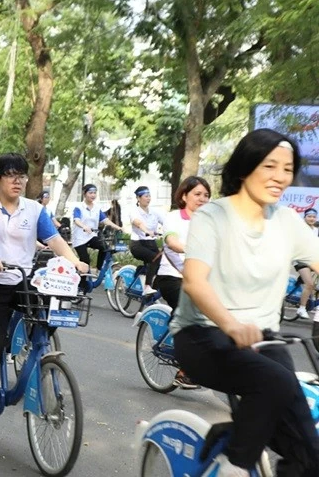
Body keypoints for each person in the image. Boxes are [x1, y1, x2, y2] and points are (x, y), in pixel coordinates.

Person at [172, 129, 319, 477]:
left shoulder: (286, 221)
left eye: (287, 168)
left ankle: (237, 435)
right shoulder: (214, 216)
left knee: (310, 455)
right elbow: (194, 281)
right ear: (245, 167)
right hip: (204, 335)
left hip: (265, 340)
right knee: (277, 383)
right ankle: (233, 466)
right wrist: (231, 324)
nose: (281, 177)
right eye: (270, 166)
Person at [0, 153, 88, 438]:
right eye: (10, 175)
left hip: (21, 278)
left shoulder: (33, 209)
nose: (17, 181)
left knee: (50, 313)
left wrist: (75, 260)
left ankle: (33, 353)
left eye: (22, 175)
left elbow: (54, 240)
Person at [152, 176, 211, 390]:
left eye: (206, 195)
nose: (202, 199)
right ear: (184, 196)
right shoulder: (174, 217)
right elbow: (172, 241)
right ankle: (184, 370)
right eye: (197, 194)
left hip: (201, 278)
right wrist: (189, 248)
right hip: (172, 278)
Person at [71, 184, 122, 274]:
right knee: (85, 261)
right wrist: (84, 226)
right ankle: (82, 285)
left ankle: (99, 269)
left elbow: (105, 220)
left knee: (105, 247)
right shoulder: (78, 207)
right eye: (90, 193)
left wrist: (118, 227)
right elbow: (77, 220)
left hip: (91, 236)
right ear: (84, 194)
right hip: (79, 238)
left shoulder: (97, 208)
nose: (93, 195)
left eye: (94, 193)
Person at [129, 186, 165, 296]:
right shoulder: (134, 211)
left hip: (151, 244)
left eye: (149, 196)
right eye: (146, 196)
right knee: (155, 259)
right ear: (138, 198)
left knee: (164, 263)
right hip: (138, 244)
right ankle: (147, 287)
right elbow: (138, 223)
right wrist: (147, 231)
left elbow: (166, 222)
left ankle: (154, 289)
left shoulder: (154, 212)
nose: (148, 198)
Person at [291, 209, 319, 319]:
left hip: (311, 259)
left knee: (312, 284)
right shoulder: (300, 229)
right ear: (305, 217)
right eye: (309, 216)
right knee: (309, 284)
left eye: (314, 217)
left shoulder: (316, 230)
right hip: (300, 260)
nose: (312, 218)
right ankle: (301, 308)